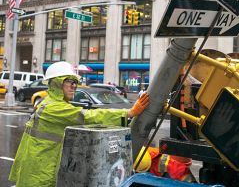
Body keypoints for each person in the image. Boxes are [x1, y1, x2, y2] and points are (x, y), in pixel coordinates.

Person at [9, 61, 150, 187]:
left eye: (75, 82)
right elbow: (88, 116)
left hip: (41, 162)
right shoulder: (55, 108)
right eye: (69, 82)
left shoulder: (51, 103)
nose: (74, 86)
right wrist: (128, 113)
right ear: (57, 83)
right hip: (40, 167)